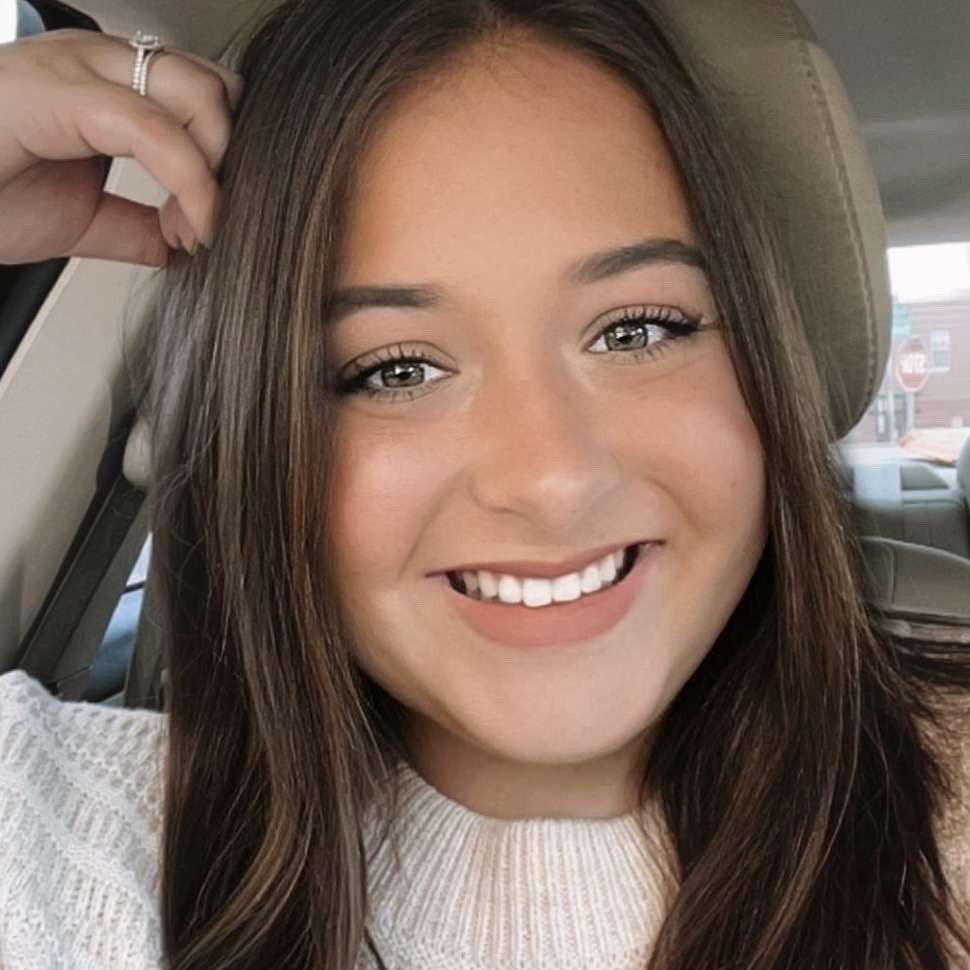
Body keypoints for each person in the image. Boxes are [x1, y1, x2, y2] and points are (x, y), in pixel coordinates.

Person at [1, 2, 969, 968]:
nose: (552, 478)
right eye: (396, 369)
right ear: (255, 436)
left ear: (764, 361)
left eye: (635, 330)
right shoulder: (64, 848)